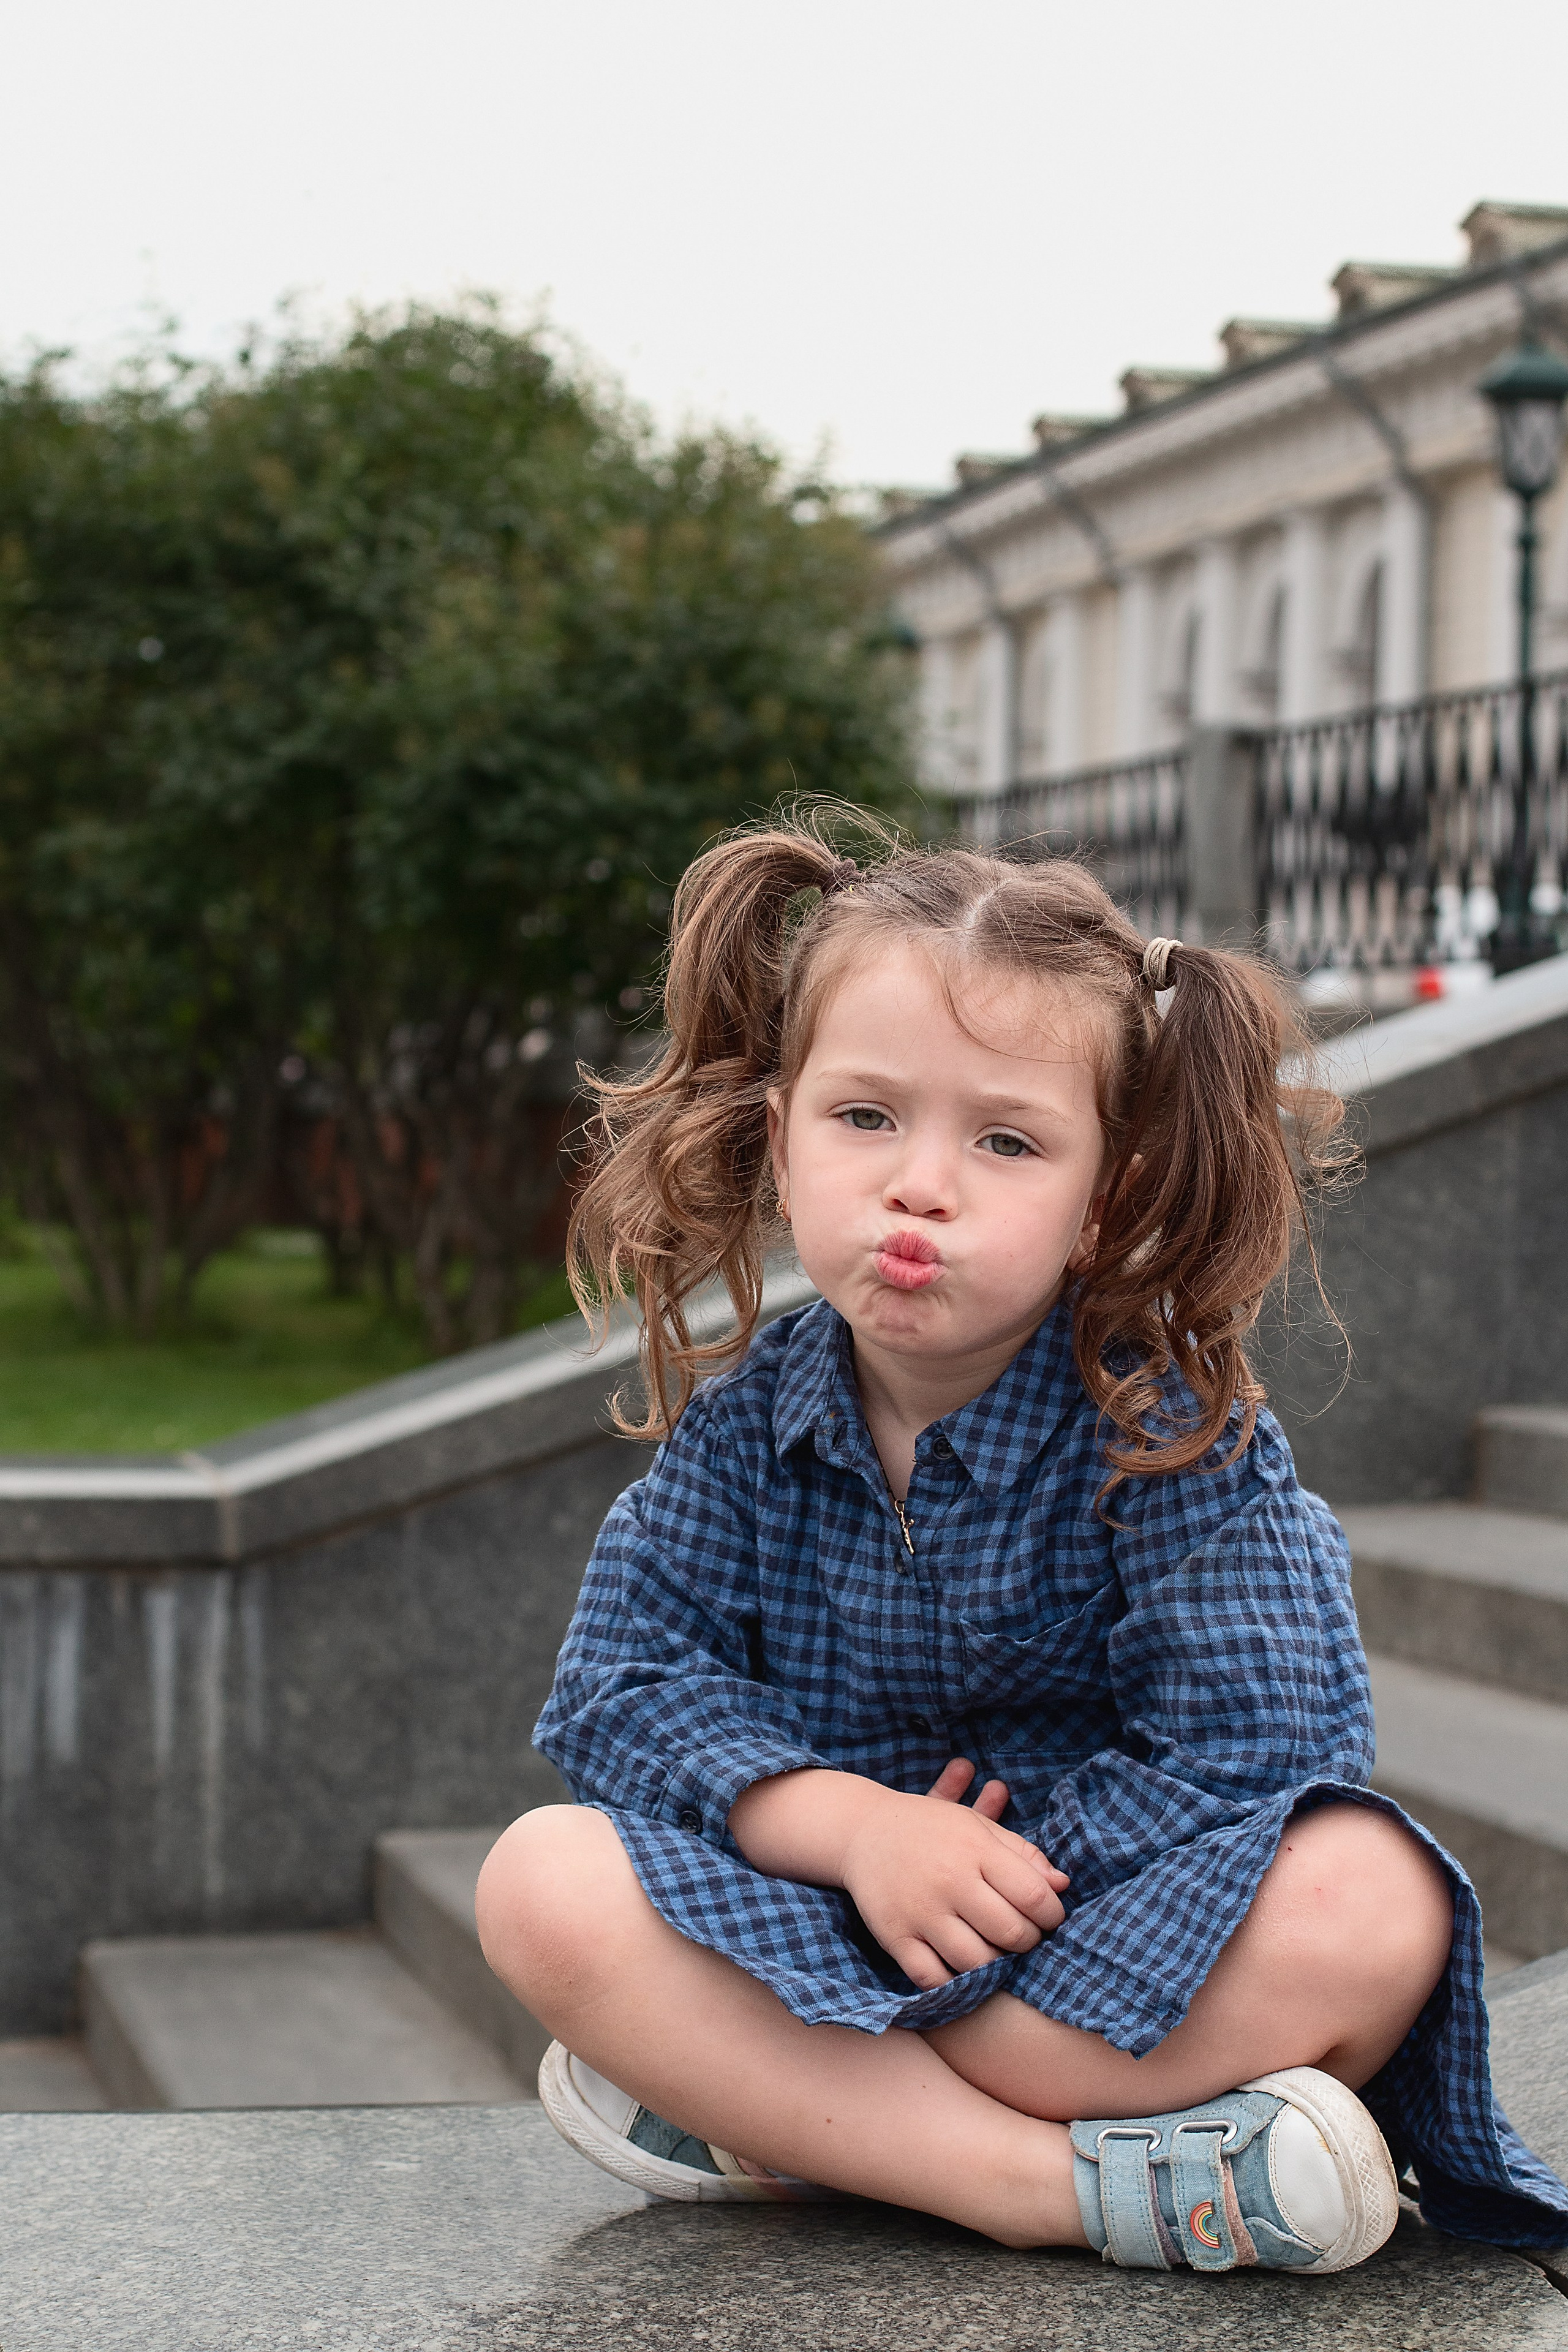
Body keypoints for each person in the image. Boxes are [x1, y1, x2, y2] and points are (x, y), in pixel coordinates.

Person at [475, 814, 1568, 2273]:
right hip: (830, 1922)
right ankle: (1047, 2187)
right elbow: (619, 1690)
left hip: (1096, 1956)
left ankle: (807, 2123)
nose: (920, 1185)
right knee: (540, 1883)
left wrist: (996, 1879)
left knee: (1374, 1898)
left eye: (1004, 1140)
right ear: (780, 1133)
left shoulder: (1173, 1434)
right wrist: (858, 1833)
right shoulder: (746, 1429)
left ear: (1099, 1194)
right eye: (865, 1118)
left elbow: (1263, 1745)